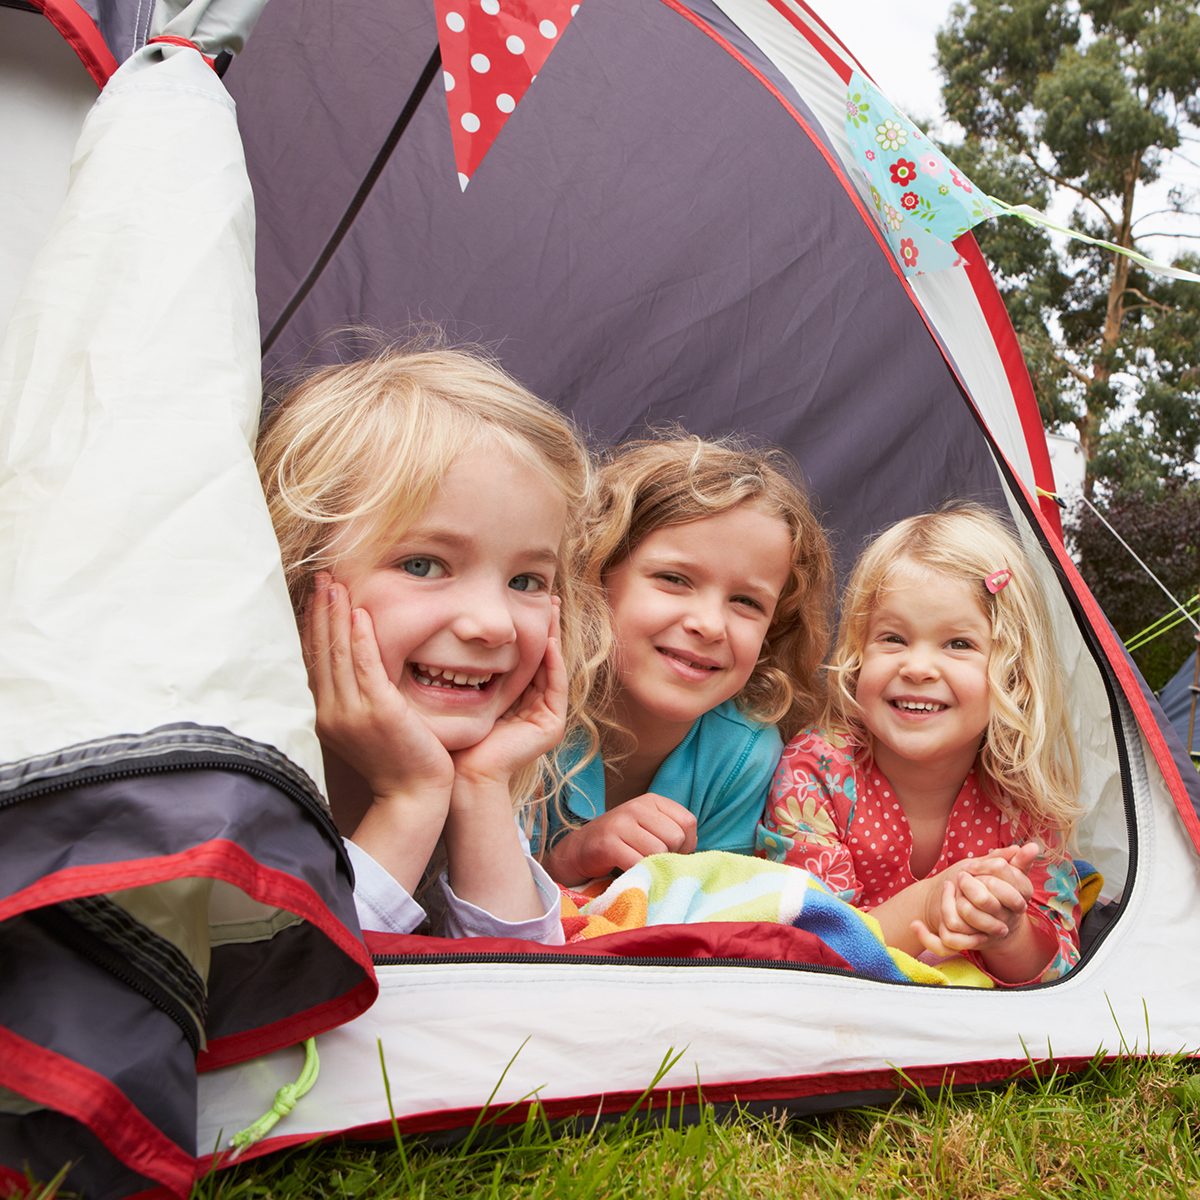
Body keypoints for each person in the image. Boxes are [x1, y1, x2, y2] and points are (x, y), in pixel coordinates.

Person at [257, 345, 598, 942]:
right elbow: (281, 996)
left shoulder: (476, 777)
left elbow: (522, 1007)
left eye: (526, 581)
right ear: (293, 576)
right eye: (423, 564)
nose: (492, 624)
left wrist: (482, 790)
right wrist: (408, 801)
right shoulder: (231, 794)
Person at [757, 504, 1083, 984]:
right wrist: (930, 904)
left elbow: (1060, 969)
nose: (918, 667)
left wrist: (1006, 933)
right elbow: (809, 947)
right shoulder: (817, 771)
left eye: (958, 644)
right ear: (856, 653)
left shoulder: (1024, 796)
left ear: (1012, 675)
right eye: (893, 638)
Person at [540, 435, 834, 887]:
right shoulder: (528, 707)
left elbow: (711, 918)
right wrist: (571, 859)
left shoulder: (745, 752)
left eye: (746, 602)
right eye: (674, 579)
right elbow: (464, 903)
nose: (710, 625)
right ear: (595, 574)